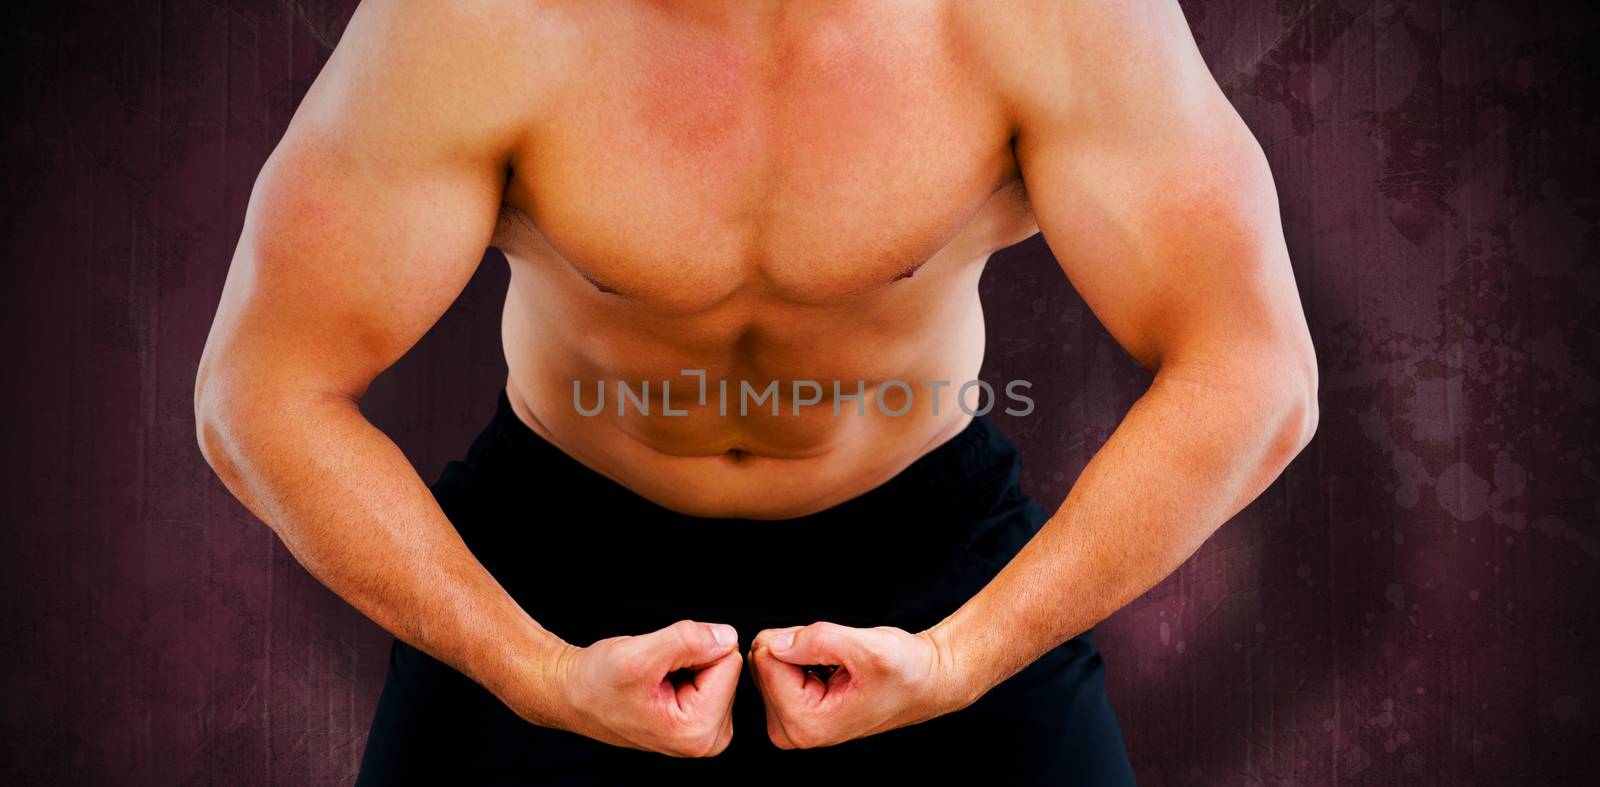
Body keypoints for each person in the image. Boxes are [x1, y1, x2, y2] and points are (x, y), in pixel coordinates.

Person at [195, 0, 1319, 783]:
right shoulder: (474, 24)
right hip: (549, 562)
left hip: (931, 561)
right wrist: (528, 669)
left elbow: (1254, 373)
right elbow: (264, 389)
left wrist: (965, 656)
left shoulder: (1049, 17)